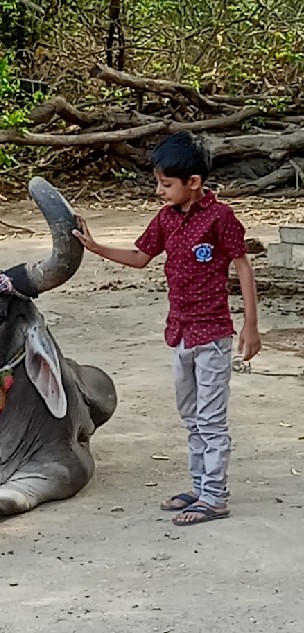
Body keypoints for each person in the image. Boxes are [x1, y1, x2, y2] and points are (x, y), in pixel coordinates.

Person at [73, 131, 261, 526]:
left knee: (211, 419)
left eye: (165, 184)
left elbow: (243, 266)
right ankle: (200, 487)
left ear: (193, 183)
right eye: (157, 182)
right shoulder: (165, 219)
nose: (159, 191)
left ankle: (214, 496)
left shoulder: (220, 218)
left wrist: (251, 326)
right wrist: (95, 247)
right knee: (191, 414)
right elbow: (141, 256)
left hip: (212, 335)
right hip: (180, 332)